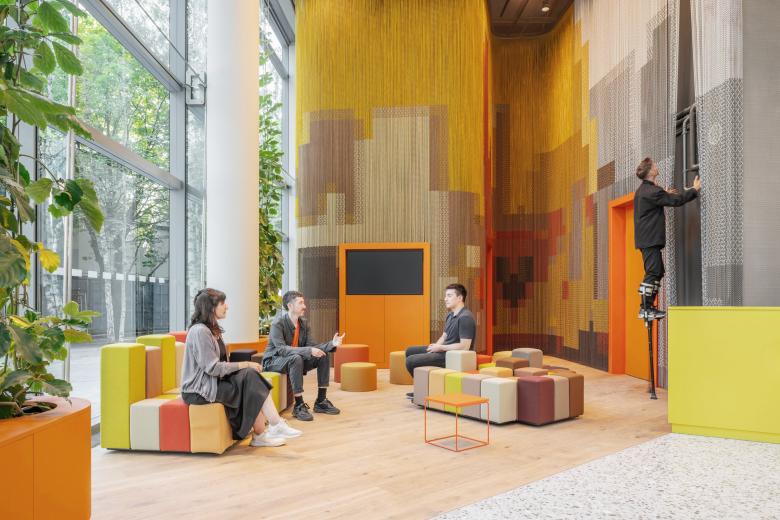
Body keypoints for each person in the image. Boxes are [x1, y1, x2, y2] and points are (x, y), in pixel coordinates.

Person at [181, 288, 302, 447]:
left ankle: (267, 431)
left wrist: (244, 369)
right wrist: (245, 364)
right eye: (222, 303)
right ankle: (272, 426)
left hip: (213, 381)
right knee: (250, 378)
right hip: (198, 390)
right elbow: (212, 368)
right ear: (210, 307)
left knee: (251, 379)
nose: (227, 306)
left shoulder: (212, 329)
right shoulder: (200, 331)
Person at [633, 157, 701, 320]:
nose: (656, 166)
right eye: (654, 165)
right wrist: (694, 190)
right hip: (650, 240)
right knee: (653, 272)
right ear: (650, 171)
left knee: (657, 271)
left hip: (647, 240)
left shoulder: (645, 191)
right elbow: (677, 200)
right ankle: (645, 309)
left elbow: (660, 198)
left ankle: (648, 307)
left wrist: (664, 194)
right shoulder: (652, 191)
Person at [262, 291, 344, 422]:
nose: (304, 306)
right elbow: (282, 349)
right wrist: (309, 350)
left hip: (295, 360)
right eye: (300, 303)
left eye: (303, 303)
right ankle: (299, 405)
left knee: (322, 355)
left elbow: (312, 346)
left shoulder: (303, 323)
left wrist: (331, 344)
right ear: (290, 306)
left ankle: (321, 401)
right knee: (296, 358)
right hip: (273, 361)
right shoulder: (278, 324)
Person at [404, 283, 476, 398]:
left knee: (411, 361)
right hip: (443, 350)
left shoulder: (465, 317)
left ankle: (422, 392)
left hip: (452, 355)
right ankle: (423, 388)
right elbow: (444, 336)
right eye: (445, 296)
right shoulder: (450, 315)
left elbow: (465, 346)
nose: (445, 299)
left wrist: (440, 348)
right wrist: (434, 348)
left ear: (459, 298)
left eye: (449, 296)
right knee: (410, 351)